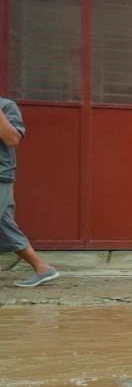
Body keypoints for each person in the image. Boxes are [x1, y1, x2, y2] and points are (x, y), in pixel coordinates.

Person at [0, 97, 57, 288]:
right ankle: (42, 268)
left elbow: (12, 139)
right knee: (4, 224)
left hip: (0, 175)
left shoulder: (6, 106)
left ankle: (42, 267)